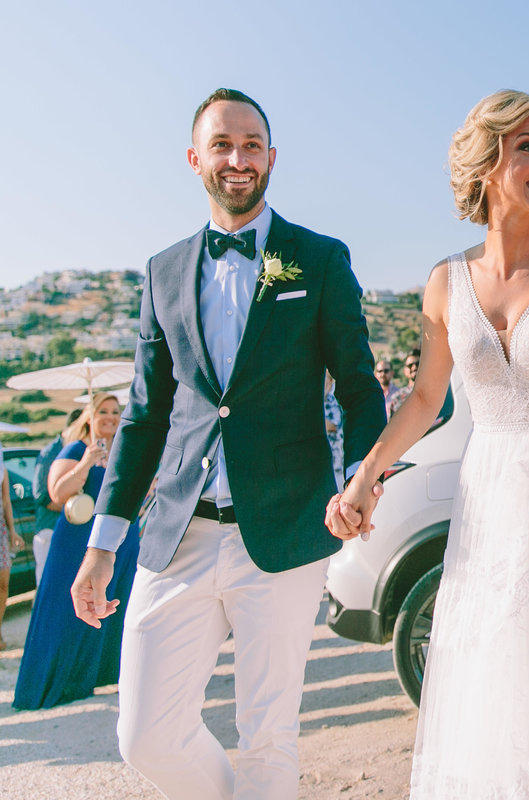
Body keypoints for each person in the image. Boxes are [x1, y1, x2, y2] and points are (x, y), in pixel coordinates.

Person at [327, 90, 529, 798]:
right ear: (487, 166)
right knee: (493, 680)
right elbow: (424, 400)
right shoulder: (446, 281)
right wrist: (365, 477)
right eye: (528, 147)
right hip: (489, 502)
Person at [69, 89, 385, 800]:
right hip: (176, 537)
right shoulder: (163, 271)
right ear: (195, 159)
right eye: (222, 145)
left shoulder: (319, 259)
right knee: (143, 735)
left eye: (251, 145)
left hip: (282, 532)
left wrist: (364, 478)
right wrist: (102, 546)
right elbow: (148, 415)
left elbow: (361, 389)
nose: (237, 159)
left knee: (267, 738)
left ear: (271, 157)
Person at [13, 393, 139, 708]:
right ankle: (51, 684)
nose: (110, 417)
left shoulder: (121, 452)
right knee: (64, 608)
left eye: (115, 411)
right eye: (103, 411)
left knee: (112, 609)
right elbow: (56, 493)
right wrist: (87, 462)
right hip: (76, 542)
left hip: (117, 543)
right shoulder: (76, 449)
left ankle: (96, 677)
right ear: (89, 417)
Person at [32, 407, 82, 584]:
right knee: (47, 585)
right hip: (49, 529)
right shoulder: (50, 452)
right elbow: (41, 496)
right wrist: (78, 509)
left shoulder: (79, 450)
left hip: (69, 531)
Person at [0, 450, 25, 651]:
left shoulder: (1, 465)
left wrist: (12, 531)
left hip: (0, 529)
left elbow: (6, 499)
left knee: (2, 584)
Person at [388, 349, 419, 417]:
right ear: (405, 371)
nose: (414, 368)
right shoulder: (397, 398)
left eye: (418, 364)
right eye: (410, 365)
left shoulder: (436, 392)